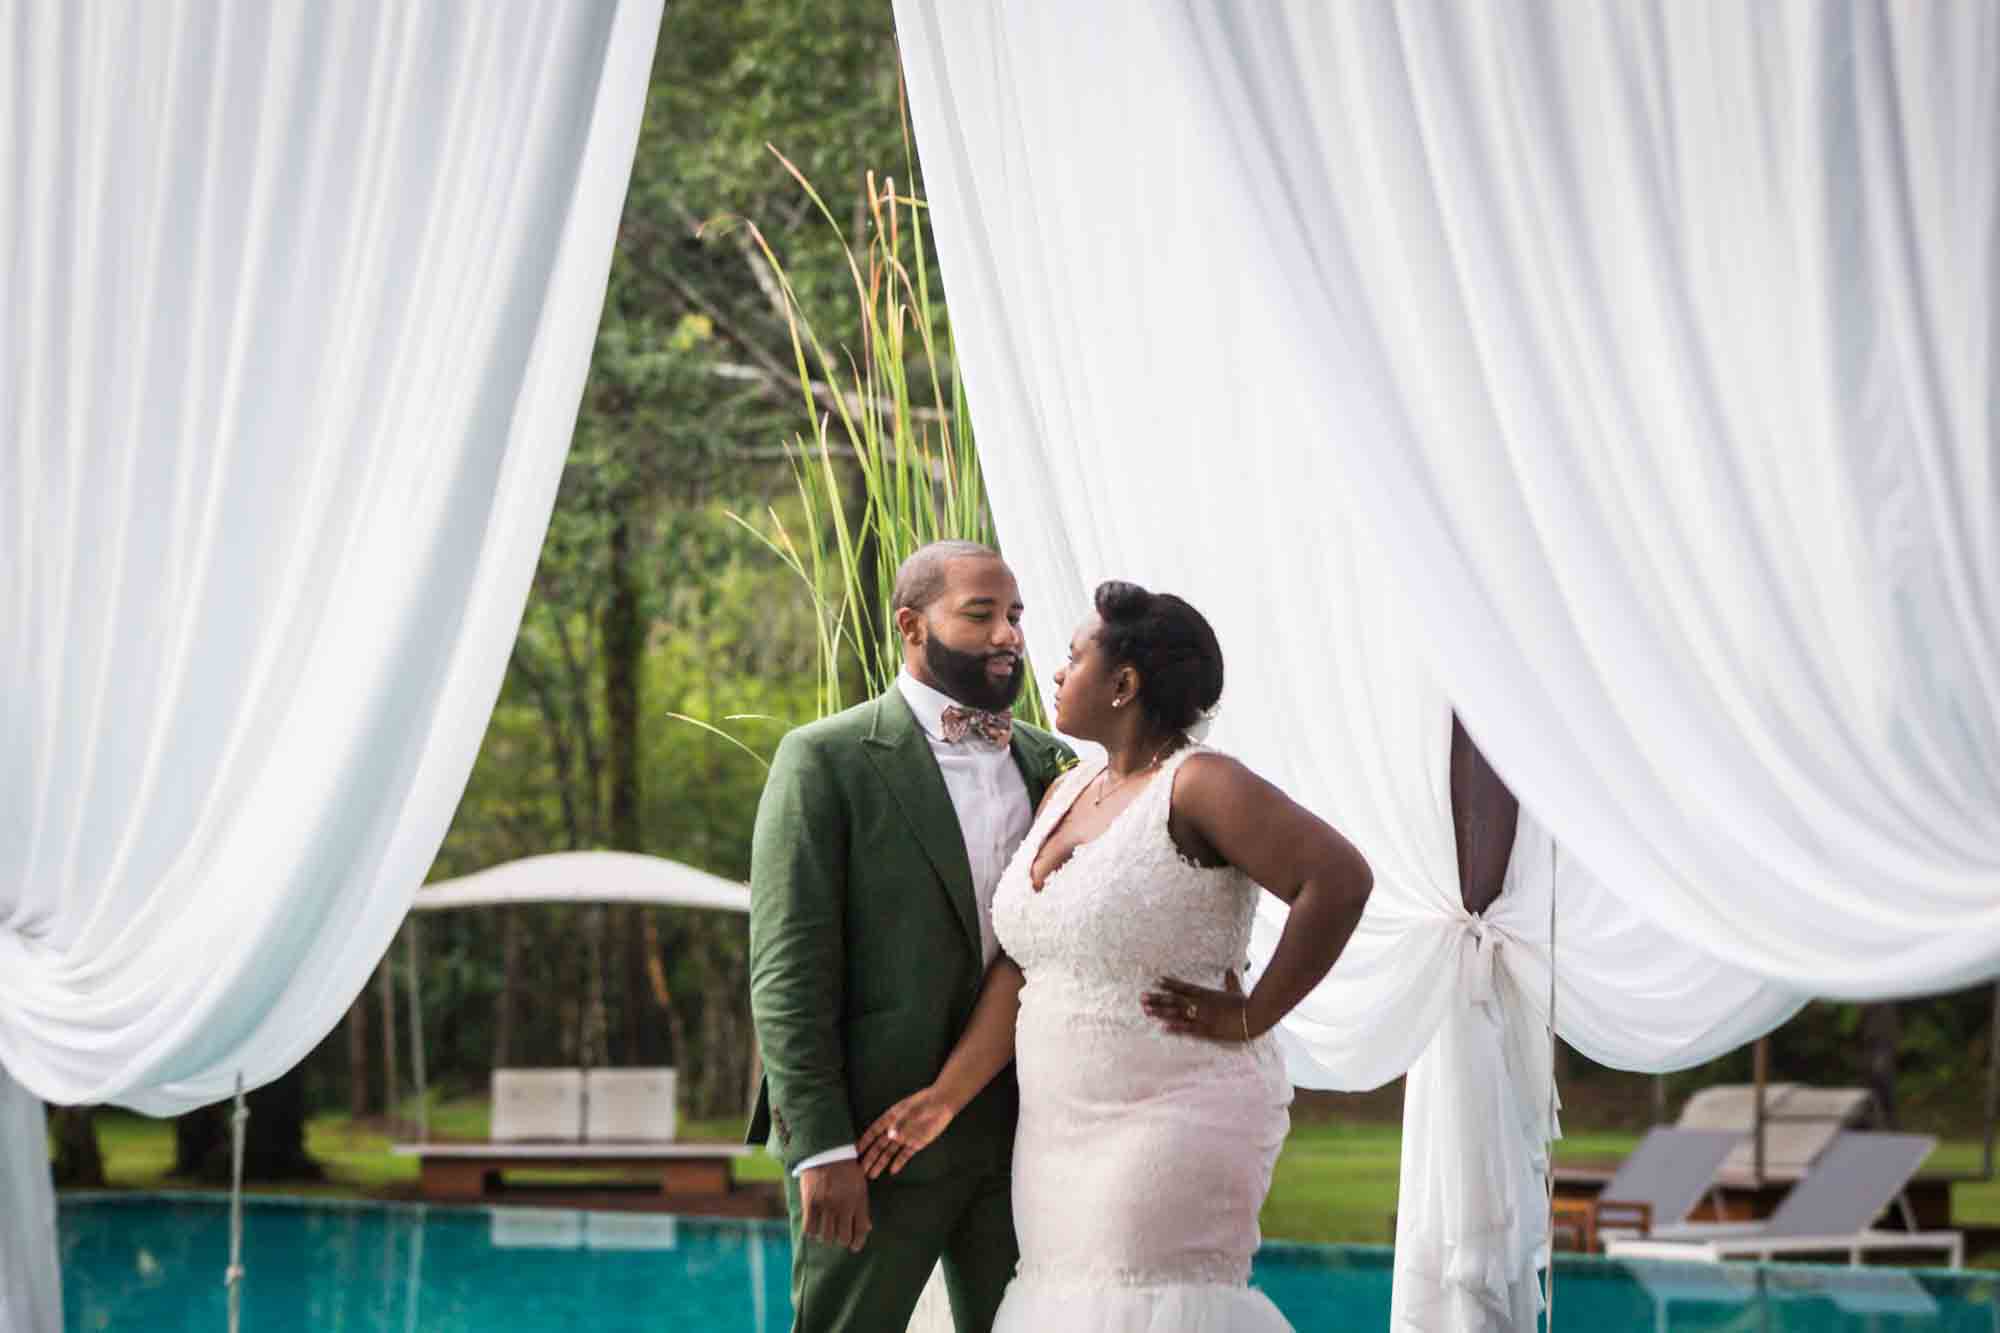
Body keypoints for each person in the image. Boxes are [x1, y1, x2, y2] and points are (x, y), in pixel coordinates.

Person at [856, 580, 1375, 1331]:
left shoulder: (1200, 783)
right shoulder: (1066, 791)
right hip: (1058, 1133)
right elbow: (1028, 964)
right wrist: (945, 1096)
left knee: (1138, 1298)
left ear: (1124, 683)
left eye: (1074, 657)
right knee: (1064, 1296)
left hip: (1172, 1112)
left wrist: (1256, 1013)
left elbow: (1338, 878)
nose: (1056, 673)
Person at [747, 540, 1075, 1333]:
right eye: (981, 613)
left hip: (1033, 1135)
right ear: (911, 626)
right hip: (873, 1142)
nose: (1009, 635)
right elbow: (788, 970)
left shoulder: (1052, 762)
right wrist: (820, 1148)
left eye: (1016, 615)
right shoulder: (823, 759)